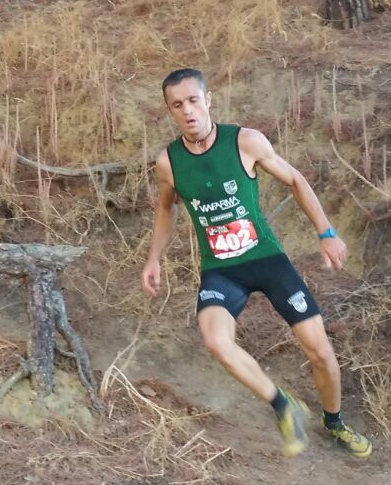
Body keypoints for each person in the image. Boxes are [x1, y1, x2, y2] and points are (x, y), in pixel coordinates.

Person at [141, 67, 371, 460]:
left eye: (193, 100)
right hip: (221, 269)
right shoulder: (170, 162)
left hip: (267, 260)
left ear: (208, 99)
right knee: (216, 340)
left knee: (321, 353)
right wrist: (153, 258)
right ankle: (283, 405)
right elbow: (166, 207)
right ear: (170, 111)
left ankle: (334, 423)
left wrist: (326, 232)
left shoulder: (245, 141)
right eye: (177, 105)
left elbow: (295, 180)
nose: (188, 111)